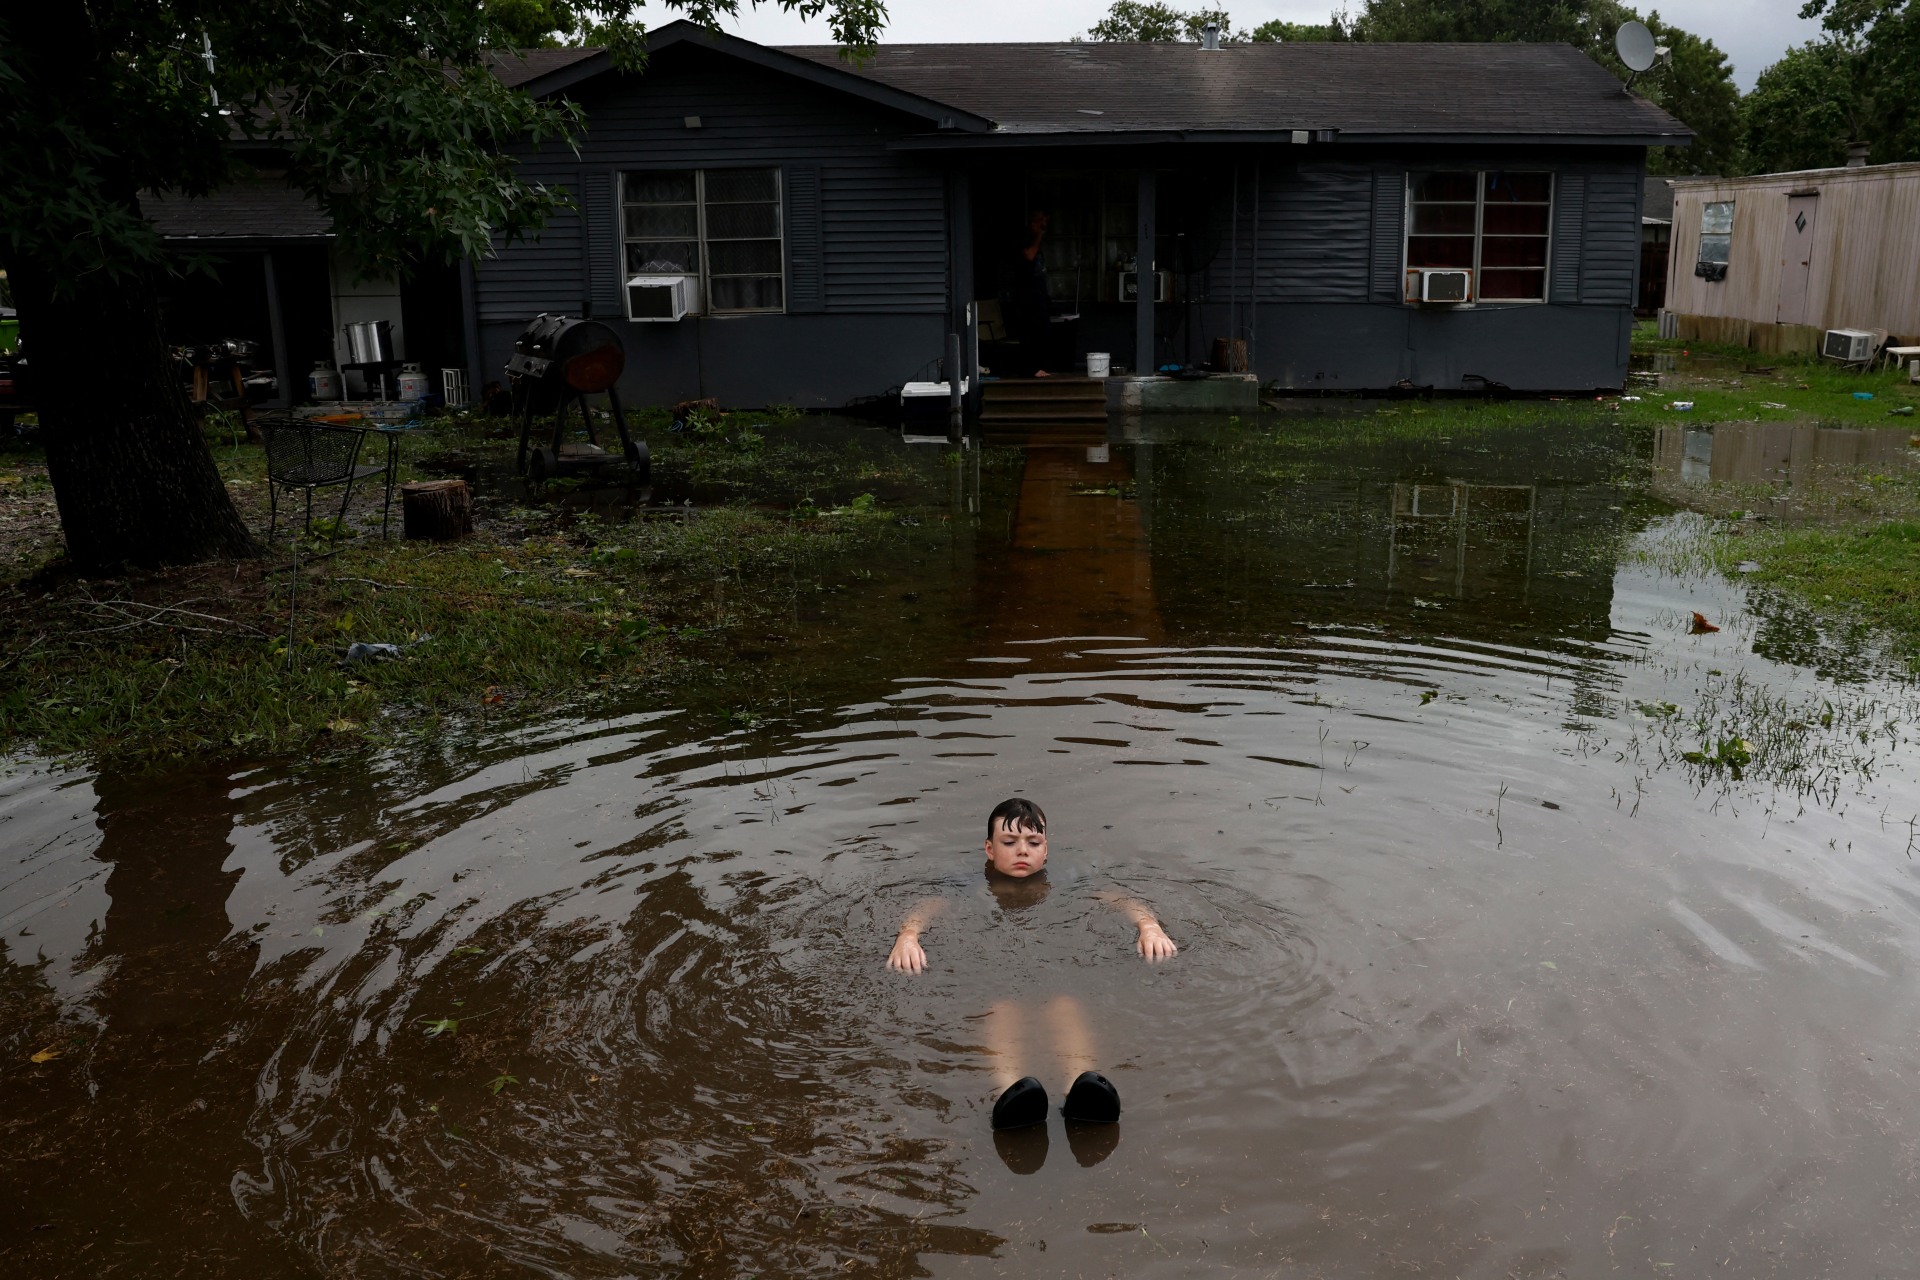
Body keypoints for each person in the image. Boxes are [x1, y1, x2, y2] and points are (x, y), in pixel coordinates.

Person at [886, 797, 1178, 1131]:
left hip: (1053, 960)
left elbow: (1119, 897)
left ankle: (1079, 1089)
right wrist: (909, 934)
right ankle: (1009, 1092)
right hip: (994, 964)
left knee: (1064, 1004)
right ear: (989, 849)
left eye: (1033, 842)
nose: (1022, 851)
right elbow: (929, 904)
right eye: (1009, 842)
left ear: (1046, 850)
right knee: (1003, 1008)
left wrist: (1148, 926)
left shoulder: (1071, 875)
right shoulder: (968, 881)